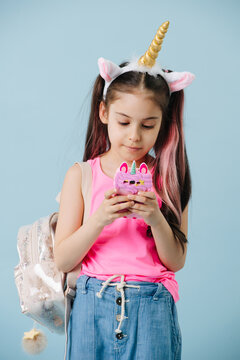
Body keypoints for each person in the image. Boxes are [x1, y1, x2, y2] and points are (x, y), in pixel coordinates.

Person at [54, 20, 195, 360]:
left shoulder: (168, 177)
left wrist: (156, 219)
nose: (134, 136)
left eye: (148, 125)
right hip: (92, 305)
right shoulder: (82, 176)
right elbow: (63, 258)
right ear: (104, 112)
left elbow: (175, 261)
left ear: (164, 123)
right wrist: (100, 218)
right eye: (123, 122)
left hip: (152, 306)